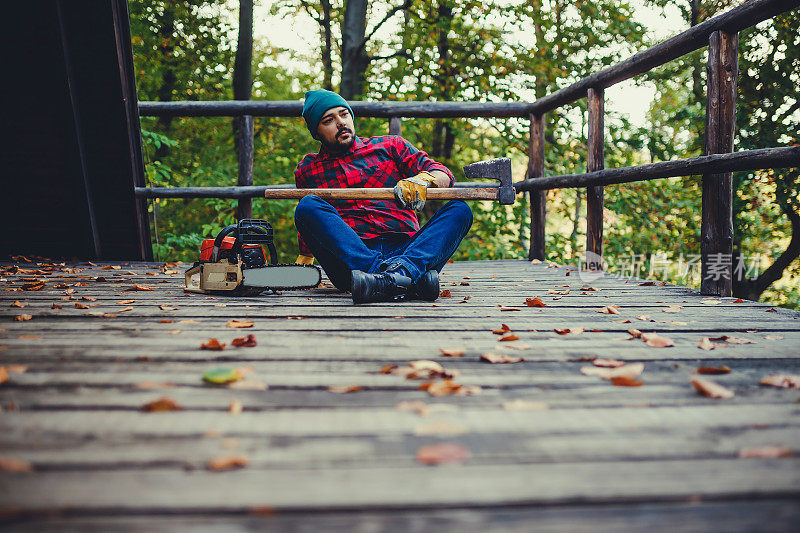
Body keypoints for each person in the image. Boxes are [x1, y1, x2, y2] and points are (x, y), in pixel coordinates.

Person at [293, 89, 473, 304]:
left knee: (460, 210)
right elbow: (312, 225)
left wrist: (424, 179)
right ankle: (409, 278)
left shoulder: (390, 146)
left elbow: (442, 173)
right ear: (316, 132)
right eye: (328, 120)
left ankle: (390, 277)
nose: (341, 122)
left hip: (408, 249)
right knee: (307, 206)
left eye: (344, 114)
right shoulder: (308, 169)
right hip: (350, 262)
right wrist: (305, 258)